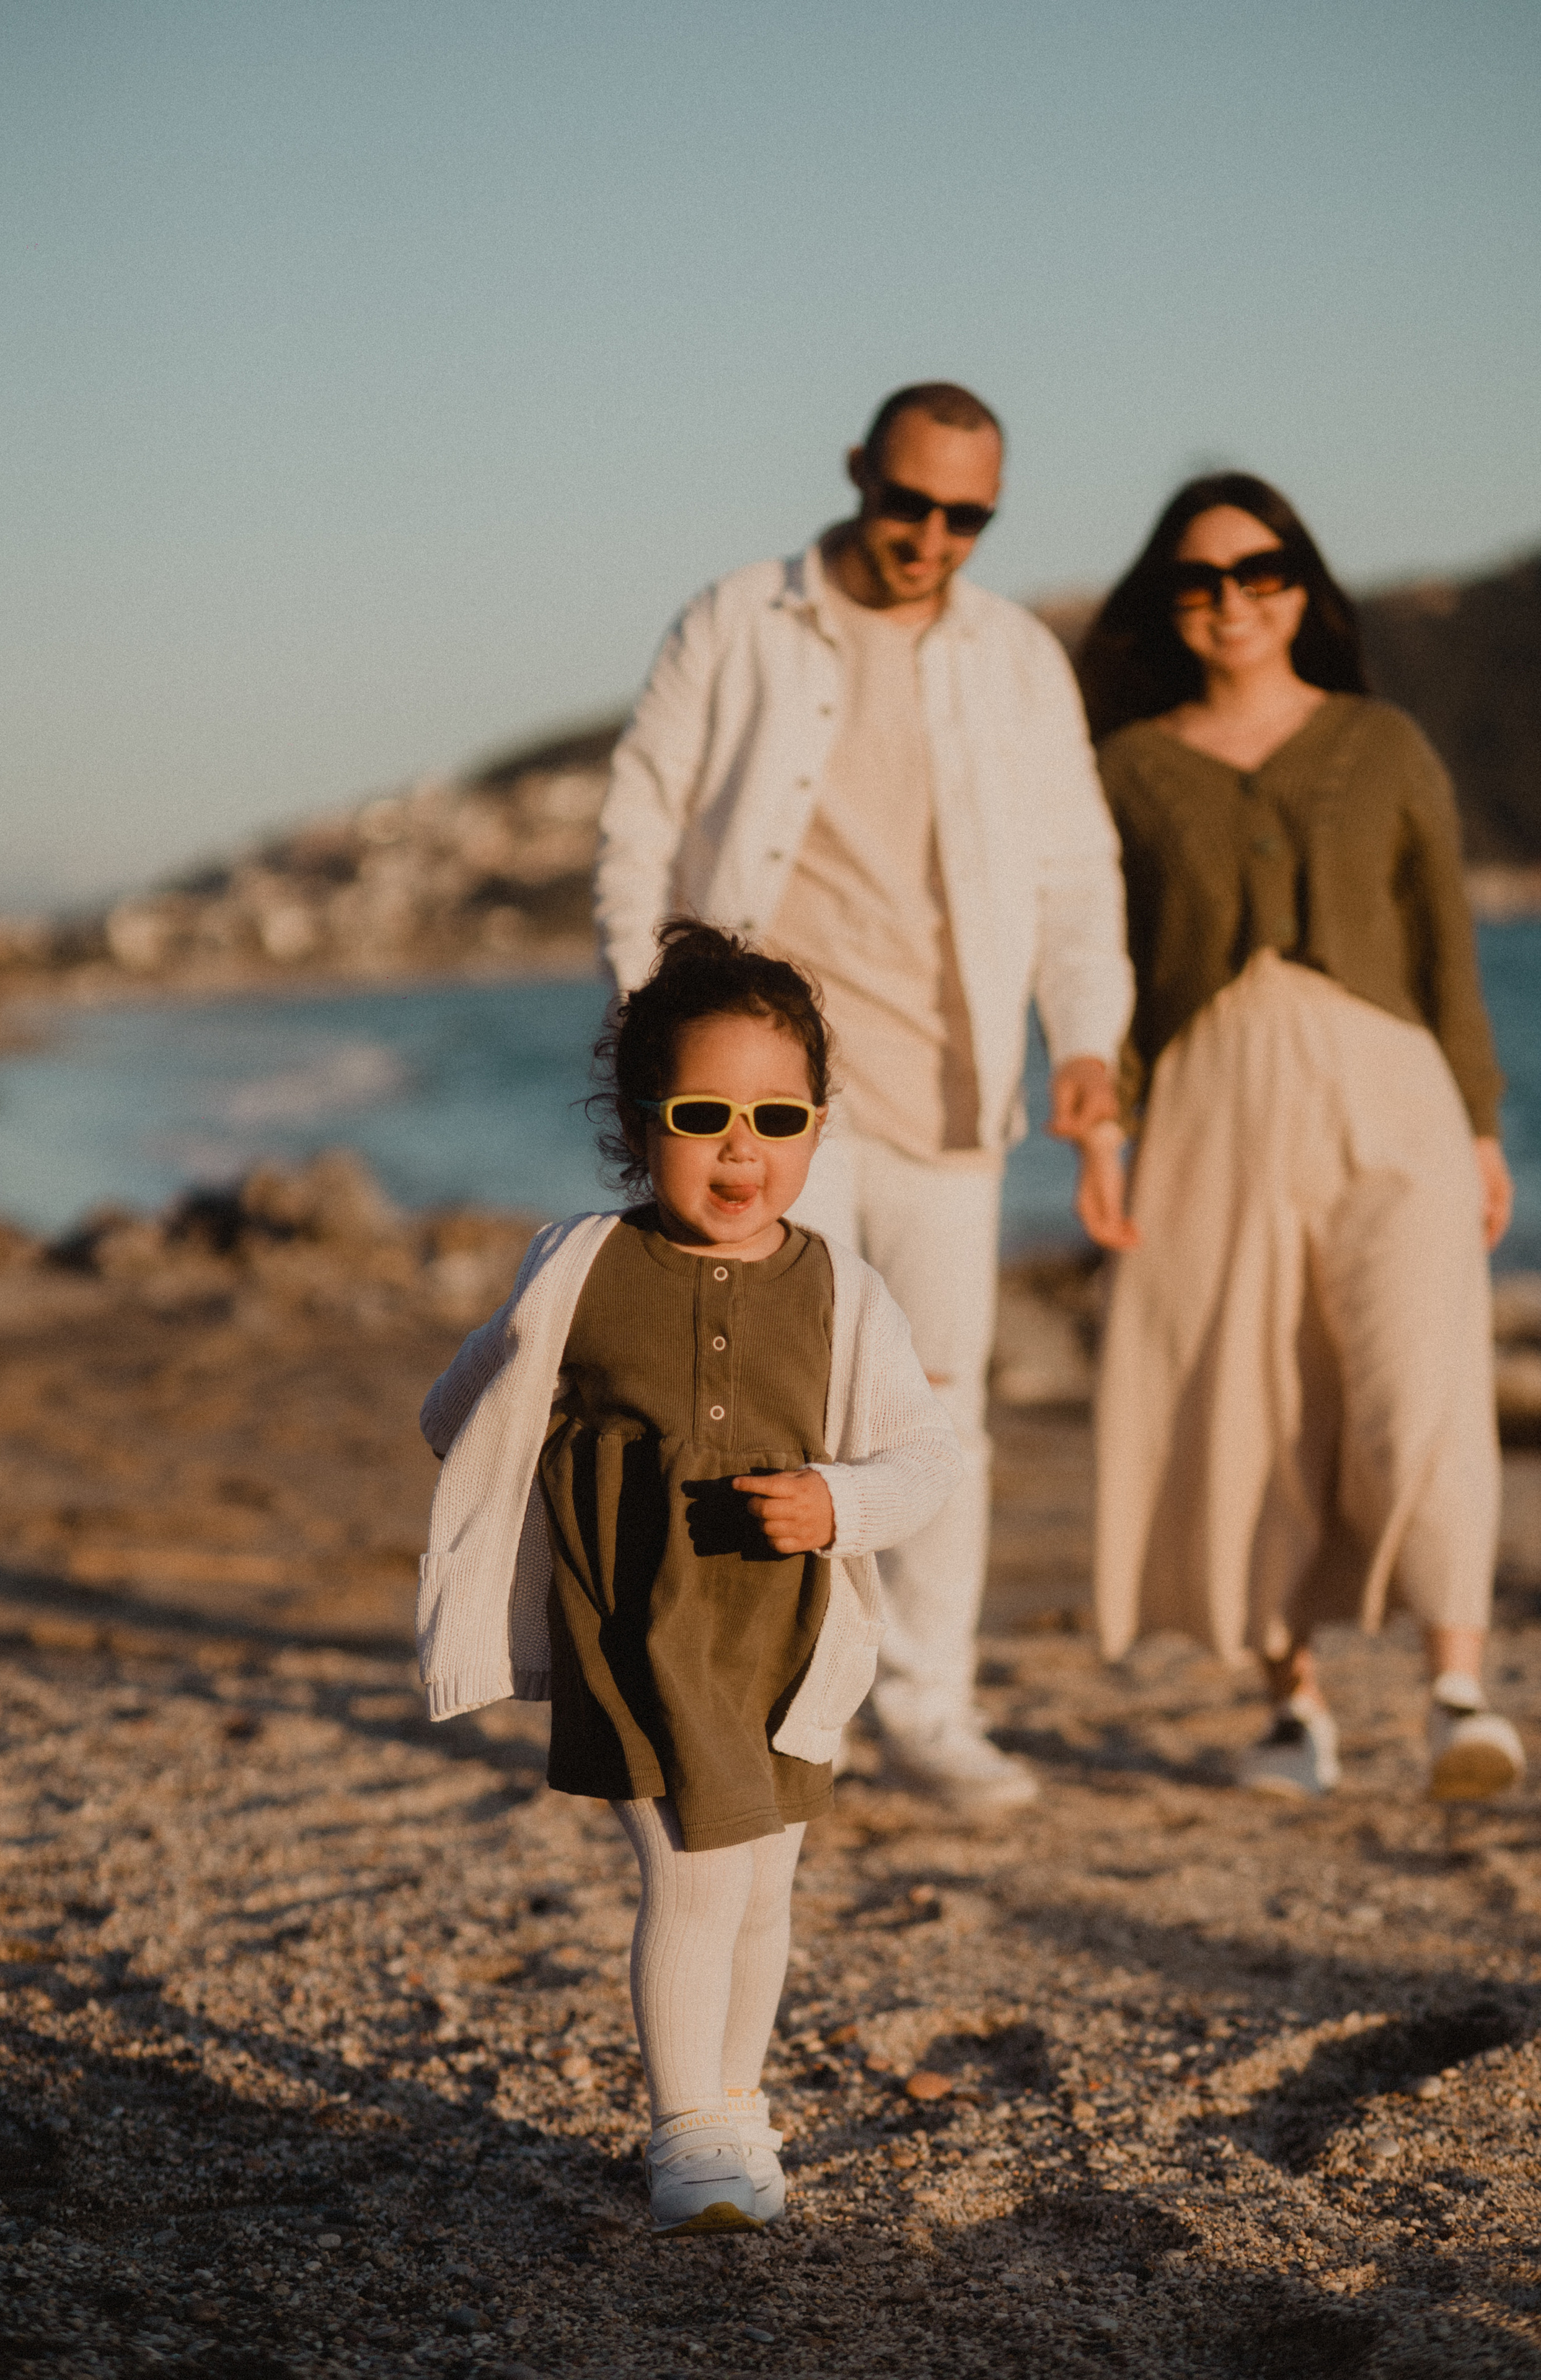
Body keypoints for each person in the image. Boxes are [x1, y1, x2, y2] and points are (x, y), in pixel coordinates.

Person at [595, 382, 1134, 1809]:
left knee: (936, 1409)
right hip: (768, 1102)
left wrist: (1088, 1036)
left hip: (952, 1092)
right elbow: (641, 809)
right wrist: (648, 1018)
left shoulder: (1015, 657)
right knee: (769, 1405)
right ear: (855, 475)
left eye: (968, 516)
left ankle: (932, 1708)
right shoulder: (738, 620)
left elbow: (1077, 870)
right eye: (910, 503)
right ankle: (774, 1702)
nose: (932, 536)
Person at [416, 922, 961, 2233]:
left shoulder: (843, 1289)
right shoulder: (581, 1271)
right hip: (631, 1632)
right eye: (702, 1113)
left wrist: (837, 1501)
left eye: (775, 1116)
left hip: (776, 1638)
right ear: (637, 1120)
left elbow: (925, 1455)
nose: (739, 1148)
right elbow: (456, 1412)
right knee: (696, 1875)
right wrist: (549, 1481)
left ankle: (730, 2097)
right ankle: (684, 2135)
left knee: (766, 1878)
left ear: (819, 1129)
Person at [1077, 471, 1524, 1799]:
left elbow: (1448, 955)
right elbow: (1103, 977)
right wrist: (1102, 1133)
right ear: (1169, 603)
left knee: (1420, 1375)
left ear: (1301, 585)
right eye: (1199, 581)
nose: (1230, 601)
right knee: (1245, 1397)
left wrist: (1484, 1128)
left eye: (1258, 571)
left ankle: (1455, 1694)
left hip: (1390, 1099)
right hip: (1206, 1108)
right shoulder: (1125, 770)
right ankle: (1294, 1715)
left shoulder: (1380, 744)